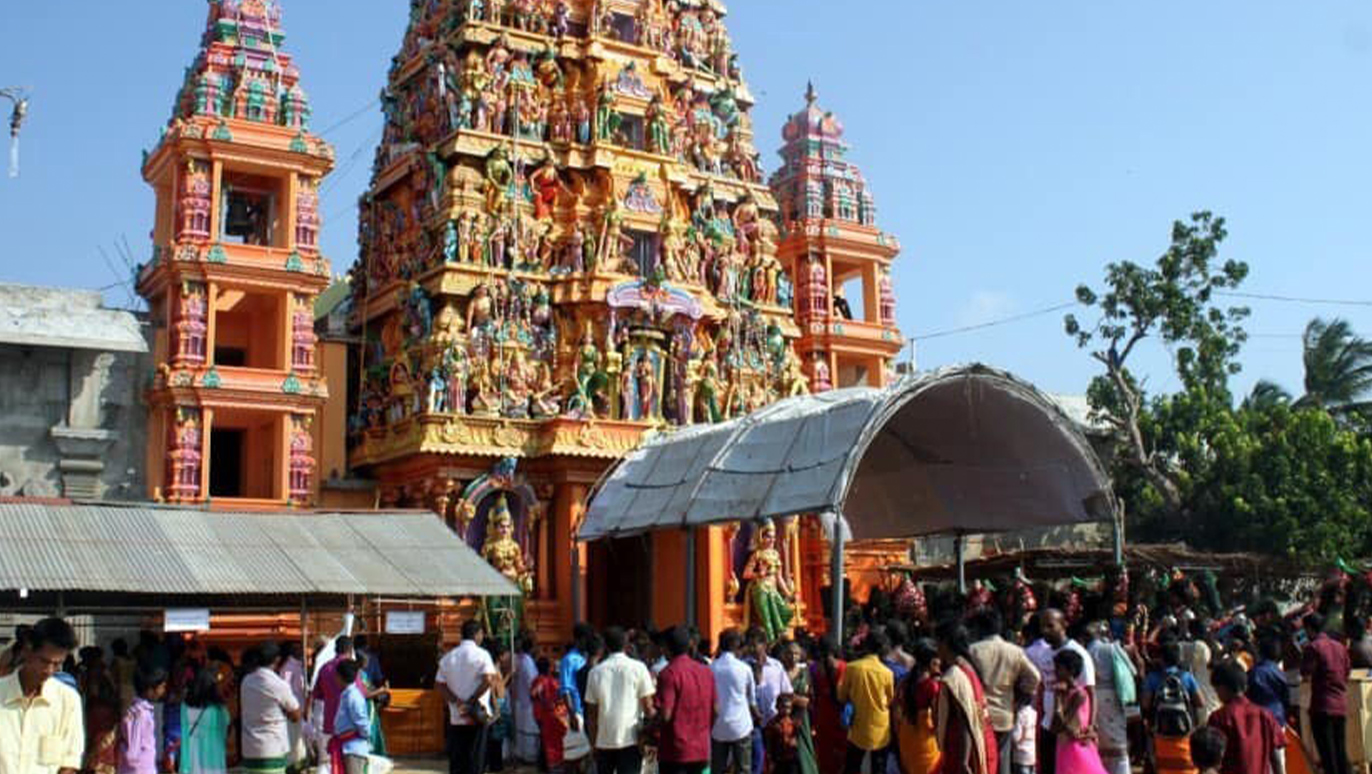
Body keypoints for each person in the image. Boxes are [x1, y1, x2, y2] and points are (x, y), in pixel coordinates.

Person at [969, 608, 1040, 774]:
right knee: (1003, 763)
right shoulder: (1015, 651)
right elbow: (1035, 677)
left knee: (982, 761)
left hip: (980, 714)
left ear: (980, 628)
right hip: (1005, 714)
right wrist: (1021, 697)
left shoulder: (973, 650)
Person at [584, 626, 655, 774]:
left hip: (603, 740)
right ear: (626, 645)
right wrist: (650, 736)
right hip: (631, 739)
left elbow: (591, 715)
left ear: (605, 646)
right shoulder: (639, 668)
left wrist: (592, 744)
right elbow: (648, 708)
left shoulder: (595, 673)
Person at [1031, 610, 1092, 774]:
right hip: (1048, 724)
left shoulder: (1078, 653)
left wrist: (1091, 726)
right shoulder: (1043, 654)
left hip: (1070, 728)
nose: (1045, 630)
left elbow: (1090, 691)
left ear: (1064, 624)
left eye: (1050, 626)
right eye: (1042, 626)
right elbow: (1043, 687)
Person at [436, 619, 499, 774]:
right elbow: (488, 680)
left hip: (456, 716)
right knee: (476, 761)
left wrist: (457, 702)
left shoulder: (448, 657)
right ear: (477, 635)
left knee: (458, 762)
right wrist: (471, 701)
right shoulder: (483, 655)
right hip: (476, 716)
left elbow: (439, 685)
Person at [935, 621, 996, 774]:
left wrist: (963, 762)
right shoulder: (969, 666)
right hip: (983, 740)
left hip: (963, 750)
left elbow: (964, 722)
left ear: (945, 643)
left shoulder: (954, 676)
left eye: (938, 641)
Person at [1206, 662, 1285, 774]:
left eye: (1216, 690)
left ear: (1222, 688)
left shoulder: (1219, 718)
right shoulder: (1265, 714)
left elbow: (1212, 760)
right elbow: (1275, 755)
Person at [657, 626, 716, 774]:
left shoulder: (668, 673)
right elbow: (716, 710)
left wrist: (648, 730)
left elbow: (665, 715)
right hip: (701, 749)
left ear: (666, 648)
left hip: (675, 752)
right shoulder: (706, 671)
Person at [1143, 638, 1204, 774]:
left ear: (1161, 658)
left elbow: (1145, 705)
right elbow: (1201, 702)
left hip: (1160, 732)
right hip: (1184, 732)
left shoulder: (1152, 678)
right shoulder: (1187, 677)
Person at [840, 630, 897, 774]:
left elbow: (842, 695)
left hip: (858, 726)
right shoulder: (887, 673)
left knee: (852, 766)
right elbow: (890, 700)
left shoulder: (852, 667)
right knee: (878, 768)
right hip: (880, 728)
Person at [240, 642, 302, 774]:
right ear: (277, 659)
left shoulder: (246, 681)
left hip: (249, 749)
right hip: (272, 748)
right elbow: (296, 714)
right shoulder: (278, 684)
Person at [1301, 613, 1349, 774]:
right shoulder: (1340, 647)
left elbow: (1306, 674)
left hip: (1322, 706)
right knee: (1341, 752)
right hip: (1341, 705)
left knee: (1328, 756)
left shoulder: (1313, 647)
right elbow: (1346, 673)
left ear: (1309, 629)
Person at [1084, 622, 1135, 774]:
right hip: (1114, 696)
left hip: (1094, 697)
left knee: (1101, 745)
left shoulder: (1087, 651)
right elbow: (1130, 671)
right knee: (1118, 745)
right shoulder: (1112, 648)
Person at [1050, 649, 1108, 774]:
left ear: (1070, 671)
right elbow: (1055, 727)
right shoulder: (1065, 693)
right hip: (1064, 746)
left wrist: (1058, 699)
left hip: (1075, 749)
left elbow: (1065, 725)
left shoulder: (1079, 695)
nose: (1055, 672)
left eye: (1059, 668)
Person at [310, 636, 361, 771]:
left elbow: (317, 694)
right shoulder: (352, 668)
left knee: (326, 762)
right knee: (349, 765)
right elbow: (361, 694)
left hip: (328, 722)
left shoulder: (325, 668)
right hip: (349, 726)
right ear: (350, 649)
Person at [712, 629, 758, 774]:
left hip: (717, 726)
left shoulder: (711, 668)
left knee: (717, 769)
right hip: (741, 726)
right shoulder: (744, 669)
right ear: (736, 645)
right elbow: (752, 701)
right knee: (743, 769)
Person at [747, 628, 792, 774]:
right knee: (758, 761)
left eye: (756, 645)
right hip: (753, 723)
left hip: (774, 722)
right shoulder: (743, 666)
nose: (753, 649)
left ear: (764, 645)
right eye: (750, 645)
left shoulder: (776, 666)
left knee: (776, 761)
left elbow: (787, 691)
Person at [894, 637, 941, 774]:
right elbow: (938, 718)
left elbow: (895, 709)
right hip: (925, 741)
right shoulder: (932, 687)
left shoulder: (904, 682)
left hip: (906, 737)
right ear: (932, 660)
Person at [777, 639, 818, 774]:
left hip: (801, 717)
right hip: (783, 718)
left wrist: (793, 698)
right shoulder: (779, 671)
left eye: (796, 654)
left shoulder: (804, 672)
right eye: (790, 653)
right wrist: (794, 699)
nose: (793, 657)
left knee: (803, 749)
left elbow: (809, 698)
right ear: (784, 654)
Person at [179, 666, 230, 774]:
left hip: (190, 764)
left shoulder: (184, 708)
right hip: (214, 764)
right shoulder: (220, 710)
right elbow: (226, 730)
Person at [808, 636, 847, 774]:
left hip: (822, 716)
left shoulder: (814, 669)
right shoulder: (843, 667)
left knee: (824, 757)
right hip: (840, 717)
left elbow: (813, 694)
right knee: (841, 757)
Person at [81, 645, 121, 774]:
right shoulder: (105, 669)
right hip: (108, 711)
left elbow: (94, 692)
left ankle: (96, 768)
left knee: (97, 741)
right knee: (107, 743)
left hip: (98, 712)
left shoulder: (94, 670)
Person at [119, 666, 167, 774]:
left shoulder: (141, 711)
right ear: (150, 689)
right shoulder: (140, 714)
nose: (164, 690)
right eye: (162, 687)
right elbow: (132, 753)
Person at [330, 660, 371, 774]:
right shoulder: (346, 694)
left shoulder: (353, 697)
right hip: (346, 746)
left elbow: (362, 722)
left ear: (340, 676)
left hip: (354, 748)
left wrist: (363, 736)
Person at [530, 658, 566, 773]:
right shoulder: (546, 680)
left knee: (544, 739)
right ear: (549, 668)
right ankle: (545, 764)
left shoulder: (537, 679)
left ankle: (543, 764)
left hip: (539, 714)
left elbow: (532, 695)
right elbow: (534, 694)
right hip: (545, 714)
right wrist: (547, 702)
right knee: (546, 740)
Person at [1245, 636, 1289, 728]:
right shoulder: (1279, 672)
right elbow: (1286, 697)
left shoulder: (1254, 673)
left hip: (1259, 720)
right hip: (1278, 717)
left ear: (1260, 652)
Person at [512, 635, 540, 765]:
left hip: (520, 700)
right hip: (528, 701)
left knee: (522, 730)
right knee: (529, 731)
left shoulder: (520, 659)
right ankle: (529, 756)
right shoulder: (527, 662)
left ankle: (522, 753)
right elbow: (532, 683)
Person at [355, 652, 389, 757]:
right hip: (365, 708)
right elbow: (365, 694)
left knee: (373, 730)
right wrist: (381, 690)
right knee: (369, 731)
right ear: (361, 662)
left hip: (369, 707)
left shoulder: (363, 674)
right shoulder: (358, 676)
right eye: (366, 661)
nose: (368, 663)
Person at [764, 693, 801, 774]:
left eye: (788, 707)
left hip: (792, 759)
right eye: (783, 707)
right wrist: (770, 759)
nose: (786, 710)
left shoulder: (795, 722)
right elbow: (768, 744)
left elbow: (800, 739)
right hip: (778, 760)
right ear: (777, 707)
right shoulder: (772, 724)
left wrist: (796, 741)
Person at [1011, 684, 1037, 774]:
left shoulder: (1020, 715)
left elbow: (1016, 737)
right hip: (1032, 756)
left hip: (1021, 757)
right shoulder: (1034, 713)